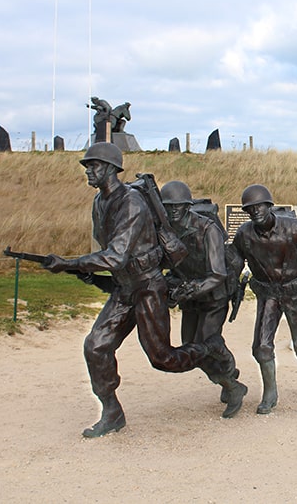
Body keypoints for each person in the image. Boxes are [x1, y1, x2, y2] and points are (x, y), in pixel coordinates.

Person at [43, 142, 215, 437]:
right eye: (86, 166)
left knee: (163, 358)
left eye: (93, 165)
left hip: (148, 286)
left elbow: (114, 255)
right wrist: (81, 269)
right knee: (96, 346)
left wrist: (71, 263)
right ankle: (112, 412)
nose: (88, 171)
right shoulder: (100, 202)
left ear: (110, 169)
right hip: (124, 287)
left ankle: (213, 356)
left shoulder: (131, 202)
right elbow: (110, 253)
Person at [231, 184, 297, 414]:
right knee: (261, 346)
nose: (255, 212)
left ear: (269, 206)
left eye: (259, 207)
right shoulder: (244, 234)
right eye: (250, 209)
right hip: (268, 295)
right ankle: (270, 392)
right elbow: (232, 262)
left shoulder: (293, 228)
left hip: (296, 293)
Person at [160, 180, 247, 419]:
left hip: (214, 295)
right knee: (190, 347)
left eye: (178, 206)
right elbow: (167, 265)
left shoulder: (207, 229)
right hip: (191, 297)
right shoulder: (166, 231)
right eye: (168, 206)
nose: (173, 211)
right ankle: (227, 371)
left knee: (202, 346)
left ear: (187, 206)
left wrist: (191, 289)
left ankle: (232, 384)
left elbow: (218, 273)